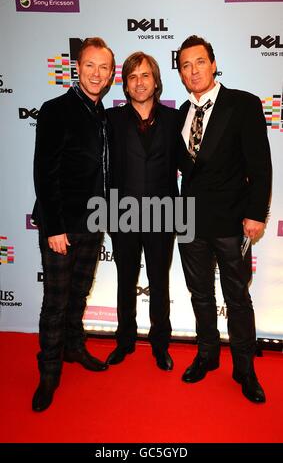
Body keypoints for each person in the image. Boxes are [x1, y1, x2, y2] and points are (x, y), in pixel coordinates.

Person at [176, 35, 272, 403]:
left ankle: (245, 370)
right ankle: (207, 355)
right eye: (185, 65)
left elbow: (260, 165)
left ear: (213, 64)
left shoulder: (243, 104)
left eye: (199, 62)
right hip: (189, 221)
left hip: (233, 221)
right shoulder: (180, 115)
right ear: (181, 74)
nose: (193, 70)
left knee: (237, 298)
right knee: (200, 295)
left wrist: (255, 214)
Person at [32, 37, 115, 412]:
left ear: (111, 73)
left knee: (79, 295)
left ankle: (73, 348)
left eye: (105, 67)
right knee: (56, 301)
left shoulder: (104, 115)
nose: (98, 74)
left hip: (94, 221)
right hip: (62, 225)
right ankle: (48, 374)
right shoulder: (56, 110)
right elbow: (44, 173)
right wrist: (53, 228)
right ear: (77, 68)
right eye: (91, 66)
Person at [106, 52, 182, 370]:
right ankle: (125, 341)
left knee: (159, 281)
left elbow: (191, 165)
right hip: (121, 213)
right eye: (133, 76)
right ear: (125, 83)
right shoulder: (110, 120)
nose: (139, 82)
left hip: (163, 213)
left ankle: (160, 344)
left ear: (156, 81)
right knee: (125, 280)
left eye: (145, 75)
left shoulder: (175, 119)